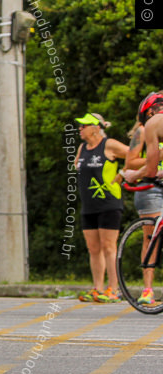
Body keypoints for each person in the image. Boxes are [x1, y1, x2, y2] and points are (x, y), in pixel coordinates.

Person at [72, 113, 127, 303]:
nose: (80, 129)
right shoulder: (82, 147)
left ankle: (114, 288)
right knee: (93, 248)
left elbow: (135, 155)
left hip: (109, 203)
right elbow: (77, 165)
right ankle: (98, 287)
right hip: (89, 205)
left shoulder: (109, 144)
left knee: (108, 247)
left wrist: (123, 173)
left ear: (96, 127)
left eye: (84, 126)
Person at [121, 92, 163, 306]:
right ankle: (148, 289)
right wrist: (154, 158)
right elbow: (130, 161)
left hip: (157, 177)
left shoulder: (154, 123)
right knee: (151, 237)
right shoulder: (142, 130)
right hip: (152, 188)